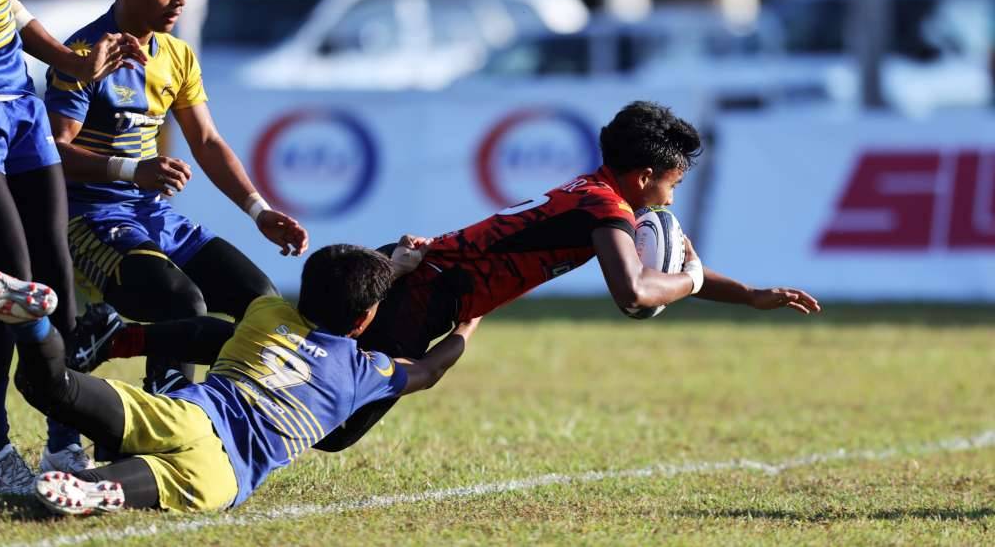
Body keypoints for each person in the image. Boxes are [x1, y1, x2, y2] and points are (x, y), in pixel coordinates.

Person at [72, 102, 820, 454]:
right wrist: (688, 288)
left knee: (291, 356)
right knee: (327, 422)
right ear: (650, 172)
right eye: (674, 183)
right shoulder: (608, 208)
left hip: (414, 280)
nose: (675, 196)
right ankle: (132, 349)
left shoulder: (604, 198)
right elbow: (636, 293)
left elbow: (657, 267)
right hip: (412, 290)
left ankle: (129, 341)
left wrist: (744, 293)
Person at [0, 244, 479, 514]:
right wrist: (466, 323)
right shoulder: (364, 372)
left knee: (51, 387)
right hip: (225, 472)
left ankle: (32, 321)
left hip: (186, 414)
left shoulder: (267, 313)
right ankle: (98, 489)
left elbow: (347, 290)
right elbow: (432, 369)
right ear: (363, 322)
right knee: (152, 482)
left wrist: (392, 265)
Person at [43, 0, 308, 400]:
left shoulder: (178, 55)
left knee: (262, 302)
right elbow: (54, 152)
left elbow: (206, 141)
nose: (181, 0)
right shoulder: (84, 54)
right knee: (183, 301)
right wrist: (132, 171)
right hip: (88, 220)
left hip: (152, 215)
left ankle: (216, 411)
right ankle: (168, 409)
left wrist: (258, 209)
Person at [0, 0, 148, 491]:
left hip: (18, 100)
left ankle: (64, 437)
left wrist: (70, 60)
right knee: (9, 284)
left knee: (54, 272)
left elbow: (8, 1)